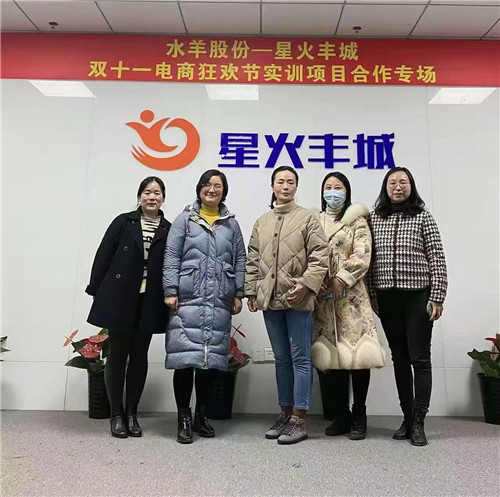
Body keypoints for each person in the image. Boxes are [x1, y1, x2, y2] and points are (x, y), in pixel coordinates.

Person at [245, 165, 328, 445]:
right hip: (270, 300)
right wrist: (251, 292)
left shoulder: (308, 218)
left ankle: (299, 419)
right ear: (272, 186)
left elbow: (320, 256)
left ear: (296, 187)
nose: (285, 186)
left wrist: (305, 284)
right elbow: (253, 258)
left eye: (290, 182)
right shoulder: (262, 221)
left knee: (300, 359)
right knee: (281, 359)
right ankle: (285, 414)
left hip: (297, 299)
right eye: (280, 181)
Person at [163, 169, 246, 444]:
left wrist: (238, 293)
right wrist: (170, 290)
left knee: (209, 363)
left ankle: (201, 415)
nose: (212, 189)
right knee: (185, 360)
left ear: (224, 192)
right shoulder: (185, 219)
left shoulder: (231, 224)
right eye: (207, 185)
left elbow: (240, 259)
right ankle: (183, 418)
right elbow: (171, 255)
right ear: (199, 189)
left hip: (219, 300)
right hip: (188, 298)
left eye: (218, 186)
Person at [367, 167, 447, 447]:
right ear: (385, 187)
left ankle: (419, 421)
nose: (398, 187)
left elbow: (437, 257)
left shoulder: (423, 217)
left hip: (417, 296)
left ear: (411, 186)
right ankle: (407, 417)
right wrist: (372, 293)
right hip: (387, 296)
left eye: (403, 182)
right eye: (392, 182)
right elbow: (368, 259)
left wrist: (437, 296)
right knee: (399, 358)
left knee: (420, 359)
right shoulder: (374, 218)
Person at [86, 177, 171, 438]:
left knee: (139, 356)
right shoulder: (123, 222)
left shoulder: (169, 228)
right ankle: (116, 413)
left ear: (163, 198)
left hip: (150, 298)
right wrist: (96, 289)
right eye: (147, 192)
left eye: (157, 193)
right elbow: (104, 254)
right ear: (139, 196)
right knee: (117, 355)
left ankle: (132, 413)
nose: (152, 197)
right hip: (120, 295)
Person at [312, 172, 385, 441]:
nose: (333, 192)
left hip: (351, 299)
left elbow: (363, 253)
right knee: (333, 358)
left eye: (338, 187)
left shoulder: (357, 220)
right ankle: (340, 413)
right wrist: (316, 280)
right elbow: (310, 254)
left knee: (358, 356)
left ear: (347, 192)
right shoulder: (315, 221)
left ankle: (359, 413)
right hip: (323, 299)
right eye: (328, 187)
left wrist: (342, 277)